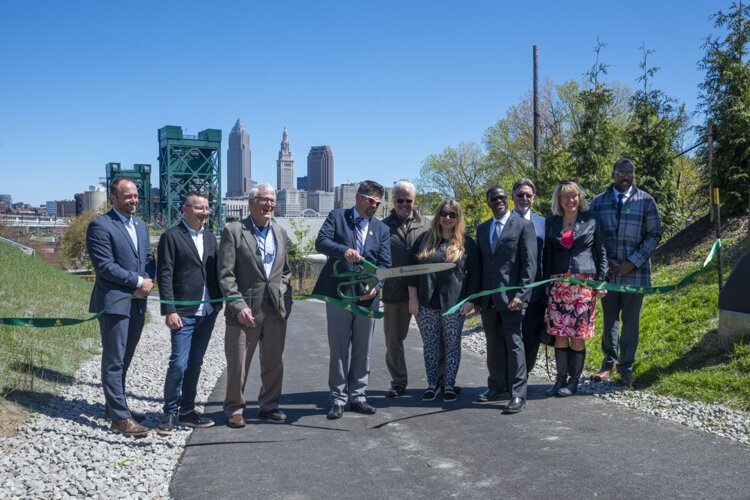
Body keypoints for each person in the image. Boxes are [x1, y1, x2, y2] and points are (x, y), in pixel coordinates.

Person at [313, 180, 391, 420]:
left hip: (367, 298)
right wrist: (343, 250)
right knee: (338, 348)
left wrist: (376, 286)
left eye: (378, 203)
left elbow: (386, 266)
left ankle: (358, 396)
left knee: (362, 348)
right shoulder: (337, 217)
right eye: (370, 201)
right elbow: (321, 242)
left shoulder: (381, 229)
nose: (374, 206)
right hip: (339, 295)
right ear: (358, 197)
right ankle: (338, 398)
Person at [218, 184, 292, 428]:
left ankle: (269, 406)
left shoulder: (279, 232)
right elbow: (226, 274)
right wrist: (238, 305)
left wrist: (282, 292)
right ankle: (235, 409)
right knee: (239, 363)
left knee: (274, 361)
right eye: (264, 199)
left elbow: (285, 271)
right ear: (251, 203)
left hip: (275, 309)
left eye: (272, 200)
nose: (269, 204)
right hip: (244, 311)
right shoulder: (235, 231)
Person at [86, 177, 155, 437]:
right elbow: (104, 266)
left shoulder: (141, 226)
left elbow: (149, 259)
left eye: (136, 196)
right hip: (114, 301)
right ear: (113, 199)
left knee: (125, 358)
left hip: (137, 302)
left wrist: (148, 281)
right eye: (128, 197)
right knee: (114, 360)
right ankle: (119, 418)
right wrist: (137, 281)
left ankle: (116, 407)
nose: (133, 200)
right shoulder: (100, 226)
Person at [589, 159, 662, 387]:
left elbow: (654, 234)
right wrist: (606, 263)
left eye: (629, 172)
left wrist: (632, 262)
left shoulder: (646, 201)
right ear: (613, 174)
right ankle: (607, 365)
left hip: (635, 274)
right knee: (609, 320)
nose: (625, 176)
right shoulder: (598, 202)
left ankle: (626, 367)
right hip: (608, 274)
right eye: (621, 172)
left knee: (631, 322)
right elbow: (591, 235)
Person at [155, 192, 222, 435]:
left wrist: (218, 302)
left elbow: (215, 271)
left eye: (206, 208)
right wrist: (169, 310)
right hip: (183, 312)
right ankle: (169, 412)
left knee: (195, 362)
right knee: (179, 363)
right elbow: (165, 274)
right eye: (199, 208)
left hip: (207, 311)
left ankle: (187, 411)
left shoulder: (210, 237)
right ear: (185, 209)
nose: (204, 213)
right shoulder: (171, 237)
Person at [407, 199, 479, 403]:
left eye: (452, 215)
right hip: (426, 303)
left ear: (458, 218)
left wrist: (470, 301)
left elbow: (475, 274)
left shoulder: (467, 243)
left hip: (455, 305)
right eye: (444, 213)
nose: (447, 218)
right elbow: (411, 273)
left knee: (452, 345)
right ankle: (432, 385)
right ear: (438, 215)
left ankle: (449, 385)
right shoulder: (424, 240)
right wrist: (413, 298)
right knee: (430, 345)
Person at [475, 186, 537, 413]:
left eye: (502, 197)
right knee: (493, 345)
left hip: (513, 300)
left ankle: (518, 394)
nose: (499, 201)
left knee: (514, 346)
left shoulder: (523, 226)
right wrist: (478, 298)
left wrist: (522, 294)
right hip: (488, 299)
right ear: (488, 201)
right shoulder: (482, 229)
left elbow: (530, 265)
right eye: (494, 198)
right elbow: (481, 266)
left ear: (507, 200)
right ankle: (496, 386)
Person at [543, 180, 607, 398]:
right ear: (558, 201)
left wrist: (602, 281)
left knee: (577, 335)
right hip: (558, 285)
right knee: (560, 335)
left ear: (580, 198)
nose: (570, 200)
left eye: (574, 196)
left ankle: (573, 381)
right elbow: (547, 254)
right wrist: (545, 283)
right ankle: (559, 379)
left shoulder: (592, 219)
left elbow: (601, 251)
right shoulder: (551, 222)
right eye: (565, 196)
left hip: (583, 285)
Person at [381, 180, 428, 398]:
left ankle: (437, 381)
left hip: (424, 292)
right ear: (393, 201)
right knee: (393, 341)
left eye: (408, 200)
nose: (404, 204)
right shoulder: (382, 226)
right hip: (393, 293)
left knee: (431, 338)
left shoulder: (427, 225)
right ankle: (398, 382)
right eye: (400, 200)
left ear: (414, 201)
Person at [510, 178, 547, 376]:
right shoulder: (504, 222)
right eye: (520, 195)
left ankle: (523, 376)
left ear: (534, 198)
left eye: (528, 195)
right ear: (512, 197)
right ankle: (510, 378)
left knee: (531, 336)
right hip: (509, 290)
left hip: (536, 291)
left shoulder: (543, 223)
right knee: (511, 337)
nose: (524, 198)